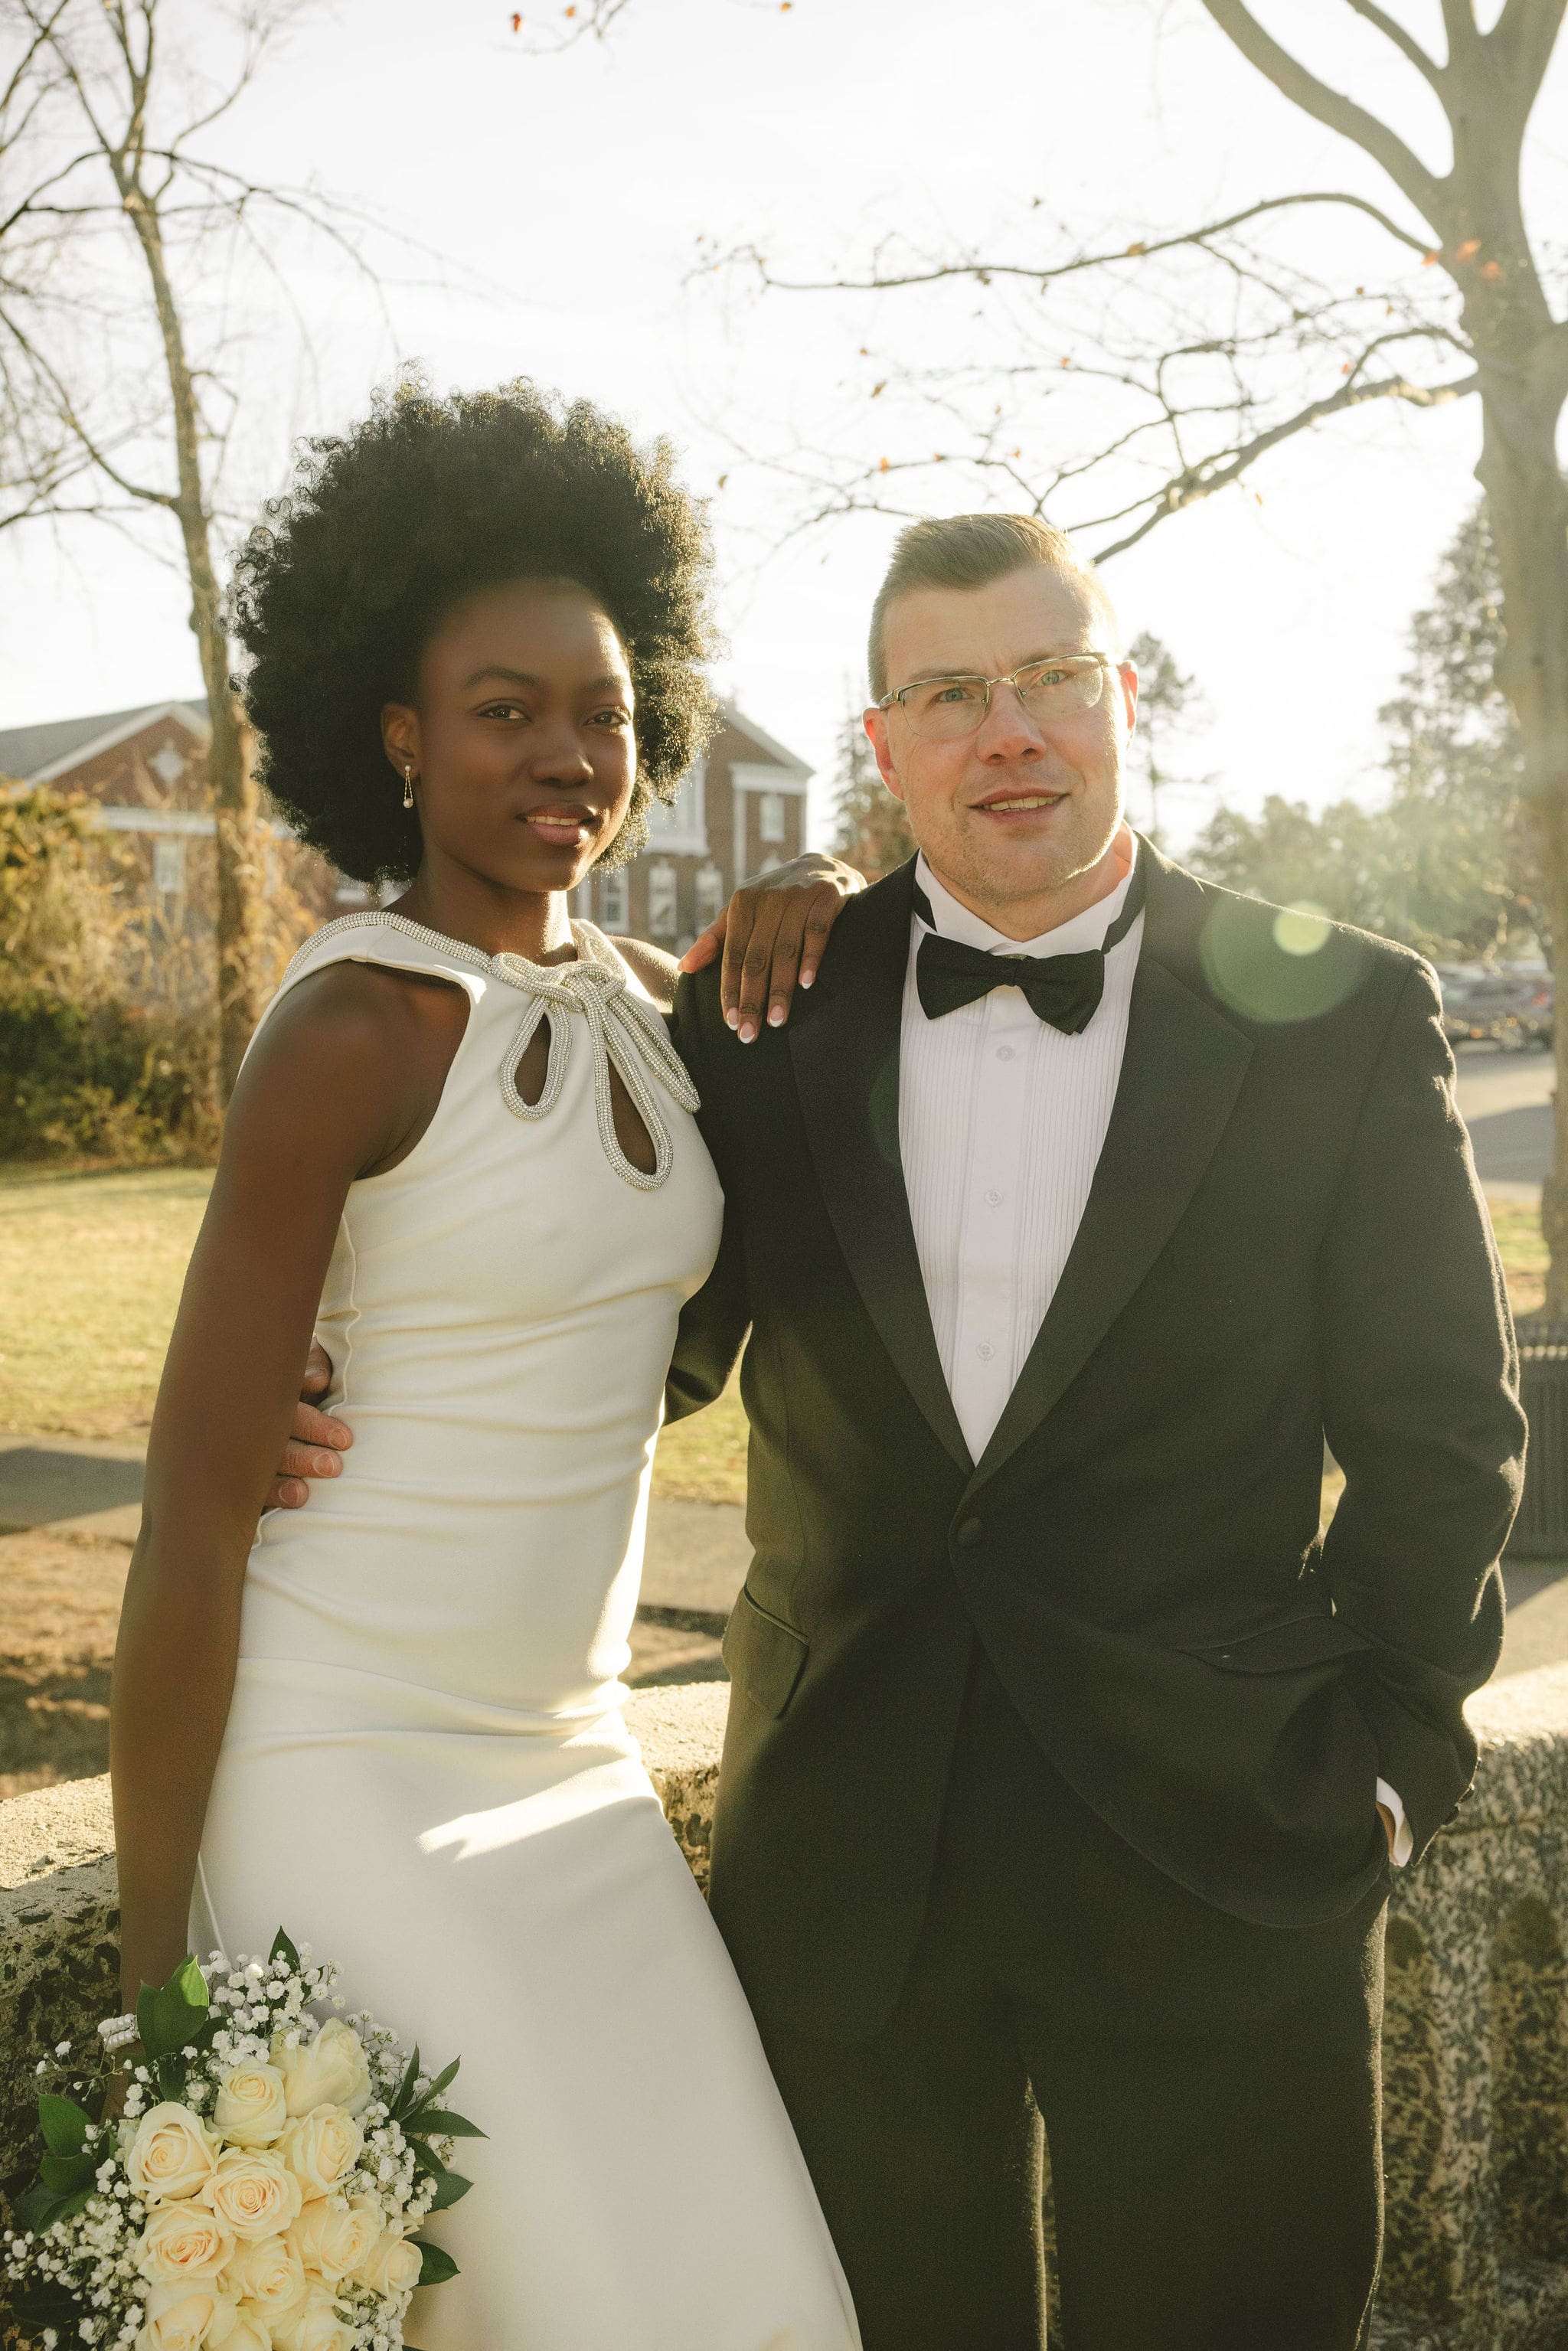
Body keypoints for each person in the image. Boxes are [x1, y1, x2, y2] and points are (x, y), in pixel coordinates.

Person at [277, 511, 1524, 2351]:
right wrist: (350, 1337)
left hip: (1218, 1856)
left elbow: (1440, 1437)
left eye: (1046, 680)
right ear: (882, 746)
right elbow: (626, 1330)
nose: (1003, 731)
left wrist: (1395, 1759)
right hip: (851, 1862)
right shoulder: (760, 1010)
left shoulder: (1342, 1014)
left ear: (1122, 700)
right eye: (945, 692)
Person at [110, 377, 864, 2351]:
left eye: (604, 710)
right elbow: (189, 1531)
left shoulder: (653, 1010)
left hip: (576, 1767)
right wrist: (158, 1989)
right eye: (505, 709)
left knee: (763, 2301)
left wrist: (829, 901)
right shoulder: (348, 1032)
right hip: (340, 1751)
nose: (568, 753)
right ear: (399, 735)